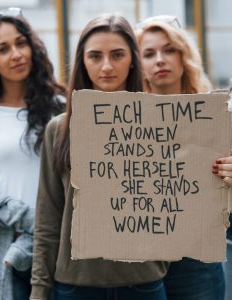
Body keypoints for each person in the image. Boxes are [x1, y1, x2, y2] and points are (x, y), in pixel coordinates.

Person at [30, 14, 169, 300]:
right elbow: (48, 217)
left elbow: (184, 202)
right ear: (83, 61)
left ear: (133, 58)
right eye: (95, 56)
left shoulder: (164, 123)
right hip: (75, 287)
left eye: (117, 55)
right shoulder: (59, 129)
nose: (106, 66)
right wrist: (39, 290)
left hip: (144, 284)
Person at [0, 8, 65, 300]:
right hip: (1, 249)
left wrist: (45, 231)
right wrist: (34, 222)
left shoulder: (61, 107)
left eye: (21, 43)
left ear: (33, 47)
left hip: (56, 249)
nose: (16, 54)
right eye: (3, 49)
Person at [136, 15, 227, 300]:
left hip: (195, 260)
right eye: (149, 54)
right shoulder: (124, 123)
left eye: (169, 50)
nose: (160, 60)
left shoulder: (218, 116)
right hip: (139, 260)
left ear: (183, 55)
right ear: (138, 65)